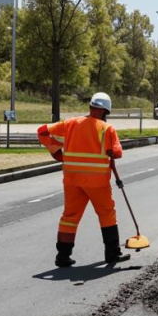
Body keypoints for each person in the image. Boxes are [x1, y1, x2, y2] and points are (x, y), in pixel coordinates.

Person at [37, 92, 130, 267]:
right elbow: (117, 153)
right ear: (105, 111)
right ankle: (112, 253)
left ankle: (62, 256)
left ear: (91, 107)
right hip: (97, 183)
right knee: (106, 214)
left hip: (72, 180)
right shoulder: (106, 128)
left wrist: (57, 152)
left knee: (70, 216)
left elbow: (42, 131)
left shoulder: (70, 123)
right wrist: (110, 150)